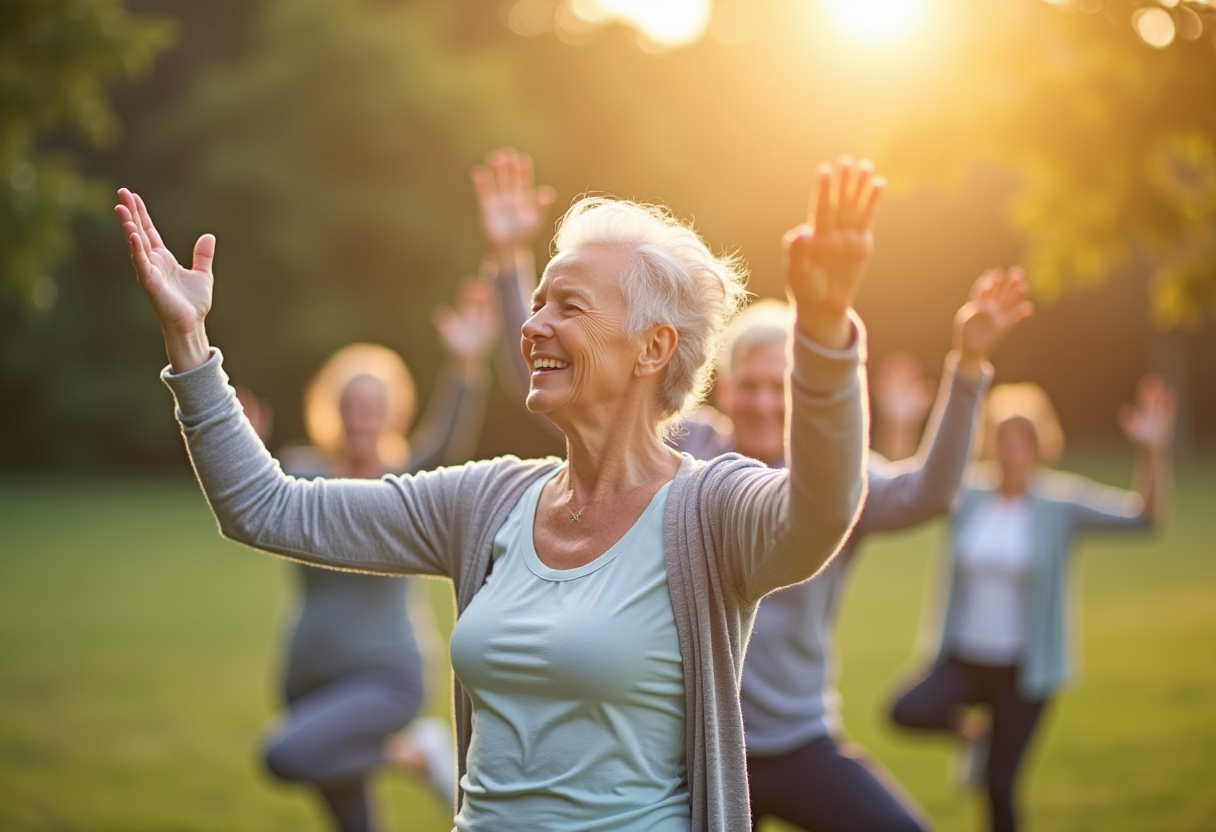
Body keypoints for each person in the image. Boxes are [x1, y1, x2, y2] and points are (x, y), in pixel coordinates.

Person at [114, 152, 881, 831]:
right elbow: (266, 507)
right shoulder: (486, 504)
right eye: (538, 302)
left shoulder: (711, 513)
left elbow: (819, 513)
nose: (533, 326)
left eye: (568, 307)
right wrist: (190, 341)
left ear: (653, 348)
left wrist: (823, 339)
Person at [472, 150, 1037, 832]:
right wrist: (509, 261)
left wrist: (969, 366)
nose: (768, 401)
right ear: (727, 388)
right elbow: (552, 370)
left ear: (803, 391)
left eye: (783, 384)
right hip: (690, 748)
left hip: (796, 742)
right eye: (753, 385)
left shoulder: (829, 482)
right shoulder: (683, 452)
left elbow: (929, 494)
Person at [235, 278, 498, 832]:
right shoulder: (301, 474)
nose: (361, 416)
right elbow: (252, 500)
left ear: (391, 413)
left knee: (284, 757)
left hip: (385, 680)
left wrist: (465, 367)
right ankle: (408, 755)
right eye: (351, 405)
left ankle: (415, 752)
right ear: (333, 409)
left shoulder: (403, 483)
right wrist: (238, 445)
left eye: (373, 406)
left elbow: (448, 444)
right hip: (305, 678)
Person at [889, 374, 1176, 832]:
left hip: (1024, 672)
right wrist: (901, 425)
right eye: (1004, 437)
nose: (1012, 449)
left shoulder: (1059, 503)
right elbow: (905, 489)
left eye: (1023, 439)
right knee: (904, 710)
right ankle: (973, 733)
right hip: (964, 659)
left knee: (999, 784)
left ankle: (990, 754)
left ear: (1041, 444)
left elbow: (1145, 518)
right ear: (991, 442)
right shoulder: (970, 494)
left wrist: (1153, 451)